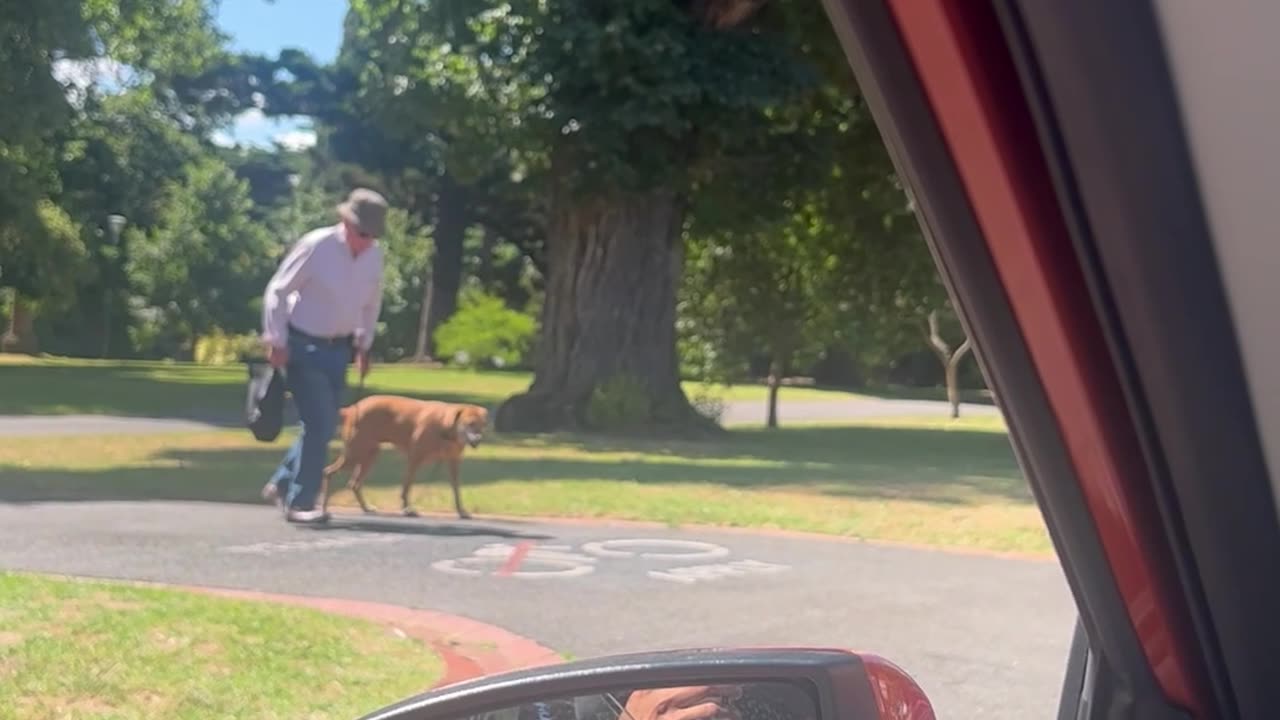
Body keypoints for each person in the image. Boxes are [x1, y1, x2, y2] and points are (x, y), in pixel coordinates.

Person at [259, 188, 387, 524]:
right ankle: (301, 502)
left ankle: (282, 482)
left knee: (322, 423)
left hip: (339, 349)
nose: (366, 241)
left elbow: (370, 303)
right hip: (303, 344)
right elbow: (278, 290)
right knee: (321, 423)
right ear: (345, 222)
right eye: (362, 233)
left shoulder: (374, 256)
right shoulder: (317, 246)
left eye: (373, 235)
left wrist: (364, 343)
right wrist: (276, 338)